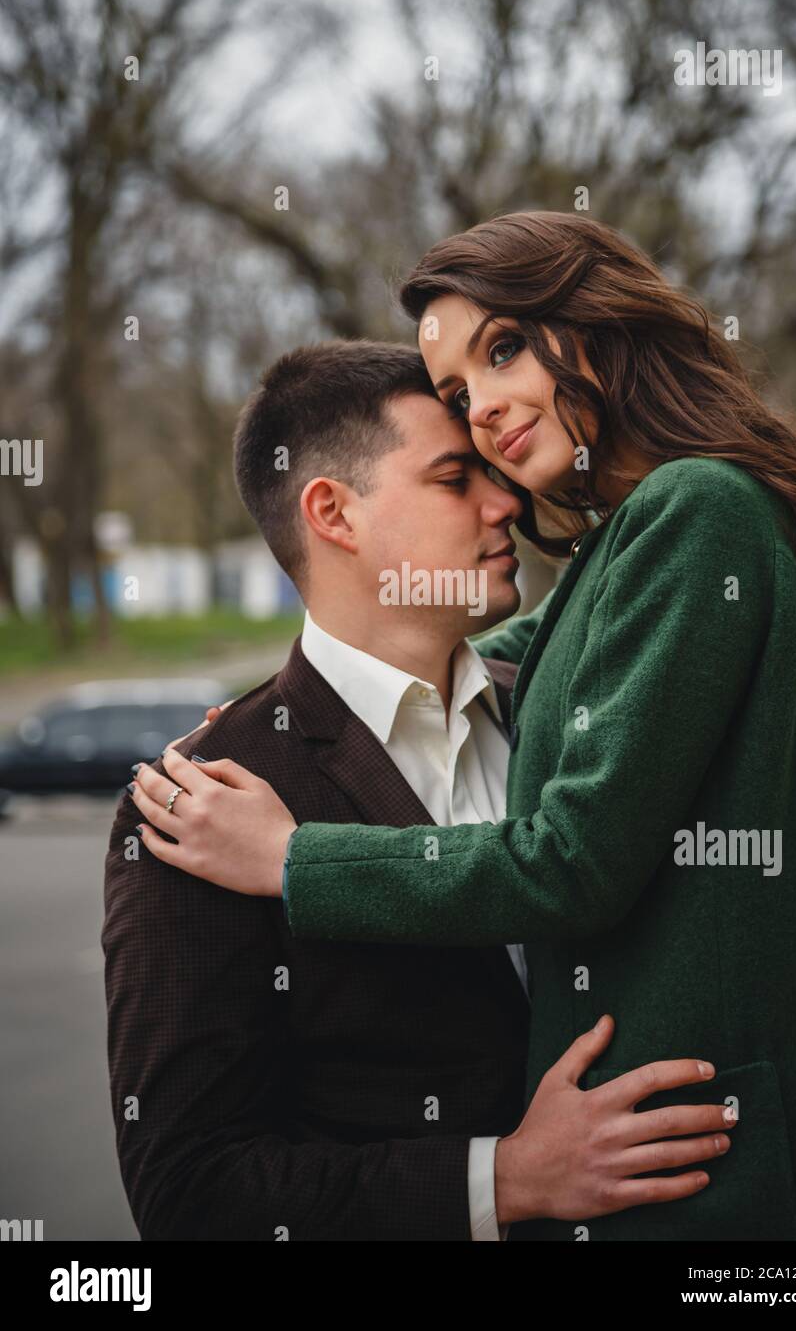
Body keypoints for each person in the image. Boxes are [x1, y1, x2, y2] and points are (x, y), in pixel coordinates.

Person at [131, 211, 796, 1241]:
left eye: (504, 347)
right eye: (457, 399)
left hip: (716, 1182)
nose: (483, 418)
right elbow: (558, 647)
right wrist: (284, 709)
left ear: (596, 316)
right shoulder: (681, 527)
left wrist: (299, 862)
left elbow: (570, 859)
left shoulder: (696, 511)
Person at [106, 338, 733, 1242]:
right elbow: (192, 1192)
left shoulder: (564, 716)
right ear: (334, 512)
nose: (507, 503)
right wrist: (501, 1181)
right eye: (454, 478)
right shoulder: (201, 801)